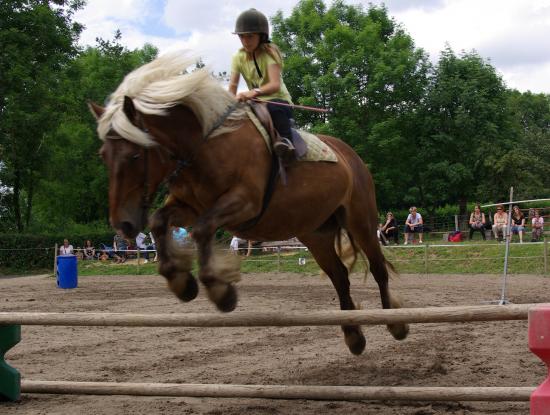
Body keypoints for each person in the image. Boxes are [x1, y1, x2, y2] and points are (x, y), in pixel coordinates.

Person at [229, 8, 295, 159]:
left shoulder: (270, 54)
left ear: (261, 36)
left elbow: (275, 85)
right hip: (257, 103)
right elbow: (232, 87)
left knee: (273, 107)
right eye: (242, 37)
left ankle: (287, 143)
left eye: (250, 36)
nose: (246, 41)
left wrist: (253, 92)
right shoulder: (237, 57)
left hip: (280, 101)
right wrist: (227, 107)